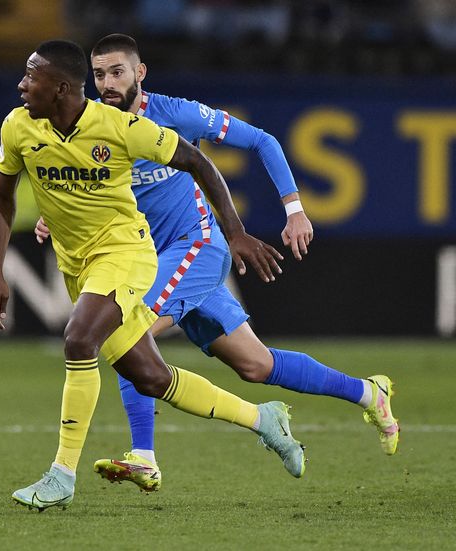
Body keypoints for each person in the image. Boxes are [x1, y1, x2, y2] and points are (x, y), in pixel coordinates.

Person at [34, 34, 399, 493]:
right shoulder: (94, 125)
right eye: (100, 74)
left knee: (126, 329)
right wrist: (53, 215)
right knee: (257, 365)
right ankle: (369, 392)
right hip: (149, 256)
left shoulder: (174, 114)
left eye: (117, 72)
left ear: (140, 73)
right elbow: (88, 182)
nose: (107, 83)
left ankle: (144, 456)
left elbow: (263, 140)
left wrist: (294, 209)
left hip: (196, 246)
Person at [0, 39, 306, 512]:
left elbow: (199, 161)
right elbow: (2, 200)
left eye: (32, 76)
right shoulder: (18, 127)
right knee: (152, 377)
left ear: (60, 88)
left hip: (126, 253)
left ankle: (61, 475)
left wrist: (234, 233)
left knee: (78, 341)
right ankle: (263, 419)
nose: (21, 84)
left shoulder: (118, 127)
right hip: (78, 264)